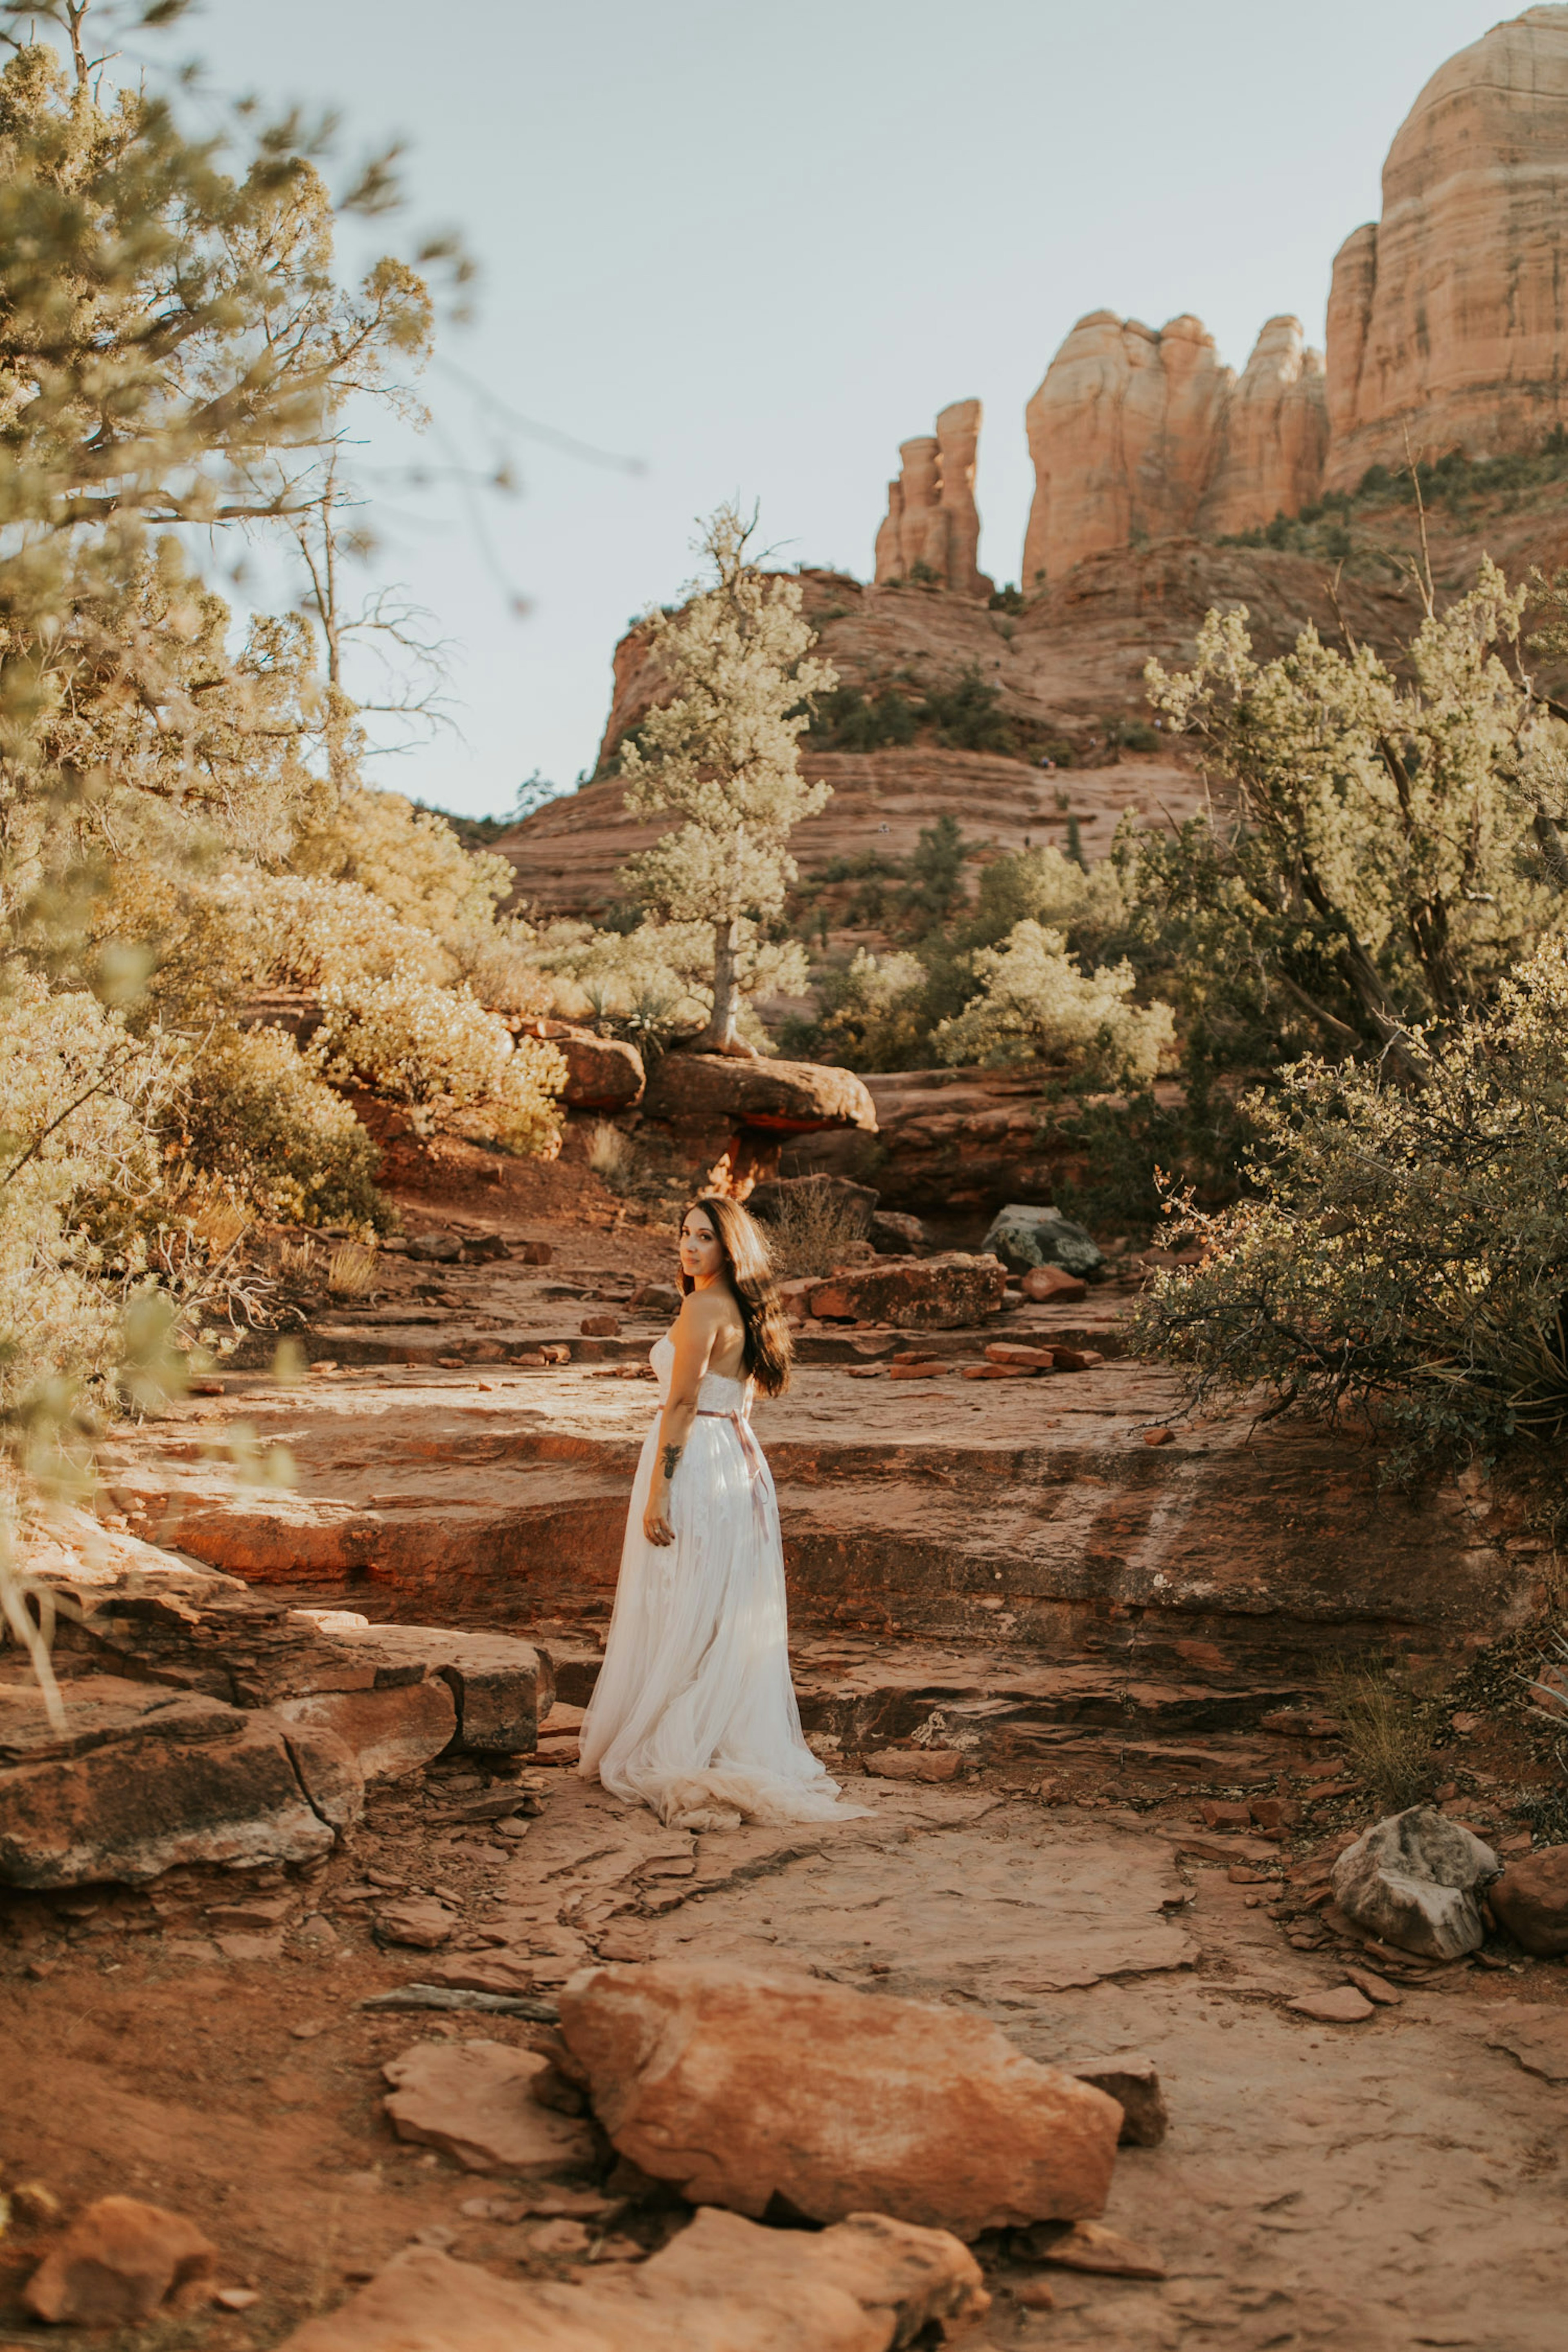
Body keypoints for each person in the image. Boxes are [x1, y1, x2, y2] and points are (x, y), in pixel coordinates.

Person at [578, 1193, 864, 1831]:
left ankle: (679, 1737)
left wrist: (660, 1489)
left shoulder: (702, 1306)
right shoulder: (745, 1308)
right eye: (684, 1233)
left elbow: (680, 1405)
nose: (689, 1245)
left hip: (698, 1458)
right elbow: (744, 1401)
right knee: (718, 1601)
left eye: (704, 1237)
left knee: (682, 1593)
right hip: (737, 1457)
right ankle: (712, 1727)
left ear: (727, 1247)